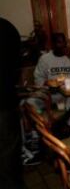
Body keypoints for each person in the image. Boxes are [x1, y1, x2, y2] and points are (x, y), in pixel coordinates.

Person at [32, 32, 70, 136]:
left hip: (66, 95)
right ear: (53, 44)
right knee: (30, 103)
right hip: (50, 94)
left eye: (64, 43)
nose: (62, 45)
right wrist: (46, 85)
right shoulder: (45, 59)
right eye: (59, 43)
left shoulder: (69, 56)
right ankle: (36, 132)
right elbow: (38, 77)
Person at [0, 17, 24, 188]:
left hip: (5, 104)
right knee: (8, 160)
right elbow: (17, 63)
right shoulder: (6, 28)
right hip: (4, 104)